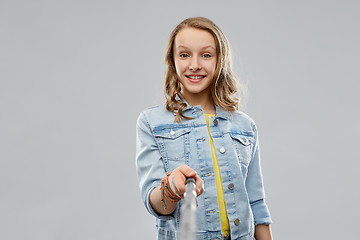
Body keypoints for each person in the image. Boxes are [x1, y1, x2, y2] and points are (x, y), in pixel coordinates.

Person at [136, 17, 272, 240]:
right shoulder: (151, 123)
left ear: (220, 60)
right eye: (184, 54)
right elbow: (156, 204)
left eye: (206, 55)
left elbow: (256, 203)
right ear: (173, 61)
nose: (195, 64)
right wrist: (171, 187)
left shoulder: (245, 126)